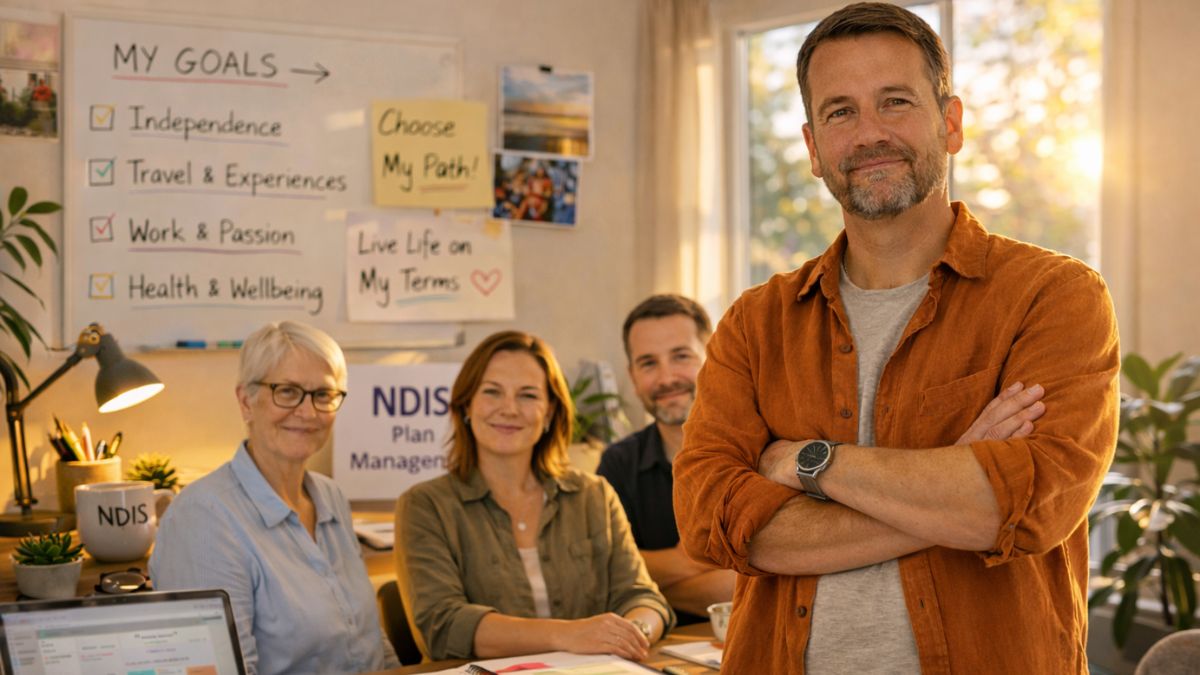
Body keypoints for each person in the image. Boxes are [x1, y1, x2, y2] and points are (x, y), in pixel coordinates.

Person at [672, 3, 1120, 674]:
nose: (869, 133)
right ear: (813, 147)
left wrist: (806, 464)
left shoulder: (1055, 297)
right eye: (840, 111)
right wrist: (951, 478)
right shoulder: (755, 324)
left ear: (951, 122)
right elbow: (712, 518)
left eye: (895, 101)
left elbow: (1027, 505)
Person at [396, 330, 674, 661]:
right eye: (492, 392)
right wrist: (572, 635)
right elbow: (443, 628)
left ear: (551, 412)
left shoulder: (594, 496)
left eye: (528, 395)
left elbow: (643, 597)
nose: (509, 409)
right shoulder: (425, 505)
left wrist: (631, 634)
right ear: (466, 405)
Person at [150, 321, 399, 675]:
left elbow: (369, 641)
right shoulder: (202, 520)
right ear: (246, 401)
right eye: (287, 391)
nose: (308, 412)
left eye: (323, 395)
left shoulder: (330, 497)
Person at [596, 294, 734, 622]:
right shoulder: (617, 465)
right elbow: (603, 576)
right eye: (648, 363)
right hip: (657, 653)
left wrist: (656, 588)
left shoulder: (764, 449)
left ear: (713, 356)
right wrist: (706, 559)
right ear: (632, 376)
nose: (666, 378)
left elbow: (758, 585)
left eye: (681, 356)